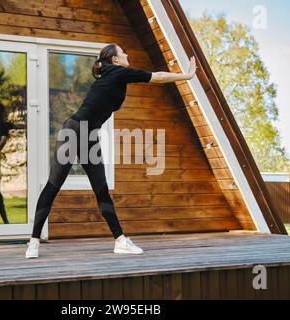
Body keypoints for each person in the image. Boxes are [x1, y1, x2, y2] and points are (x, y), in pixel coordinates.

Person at [26, 43, 198, 258]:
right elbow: (158, 77)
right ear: (115, 60)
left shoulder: (111, 73)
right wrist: (186, 76)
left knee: (101, 189)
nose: (127, 54)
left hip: (88, 135)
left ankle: (120, 240)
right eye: (123, 52)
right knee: (53, 185)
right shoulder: (118, 72)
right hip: (74, 130)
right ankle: (33, 242)